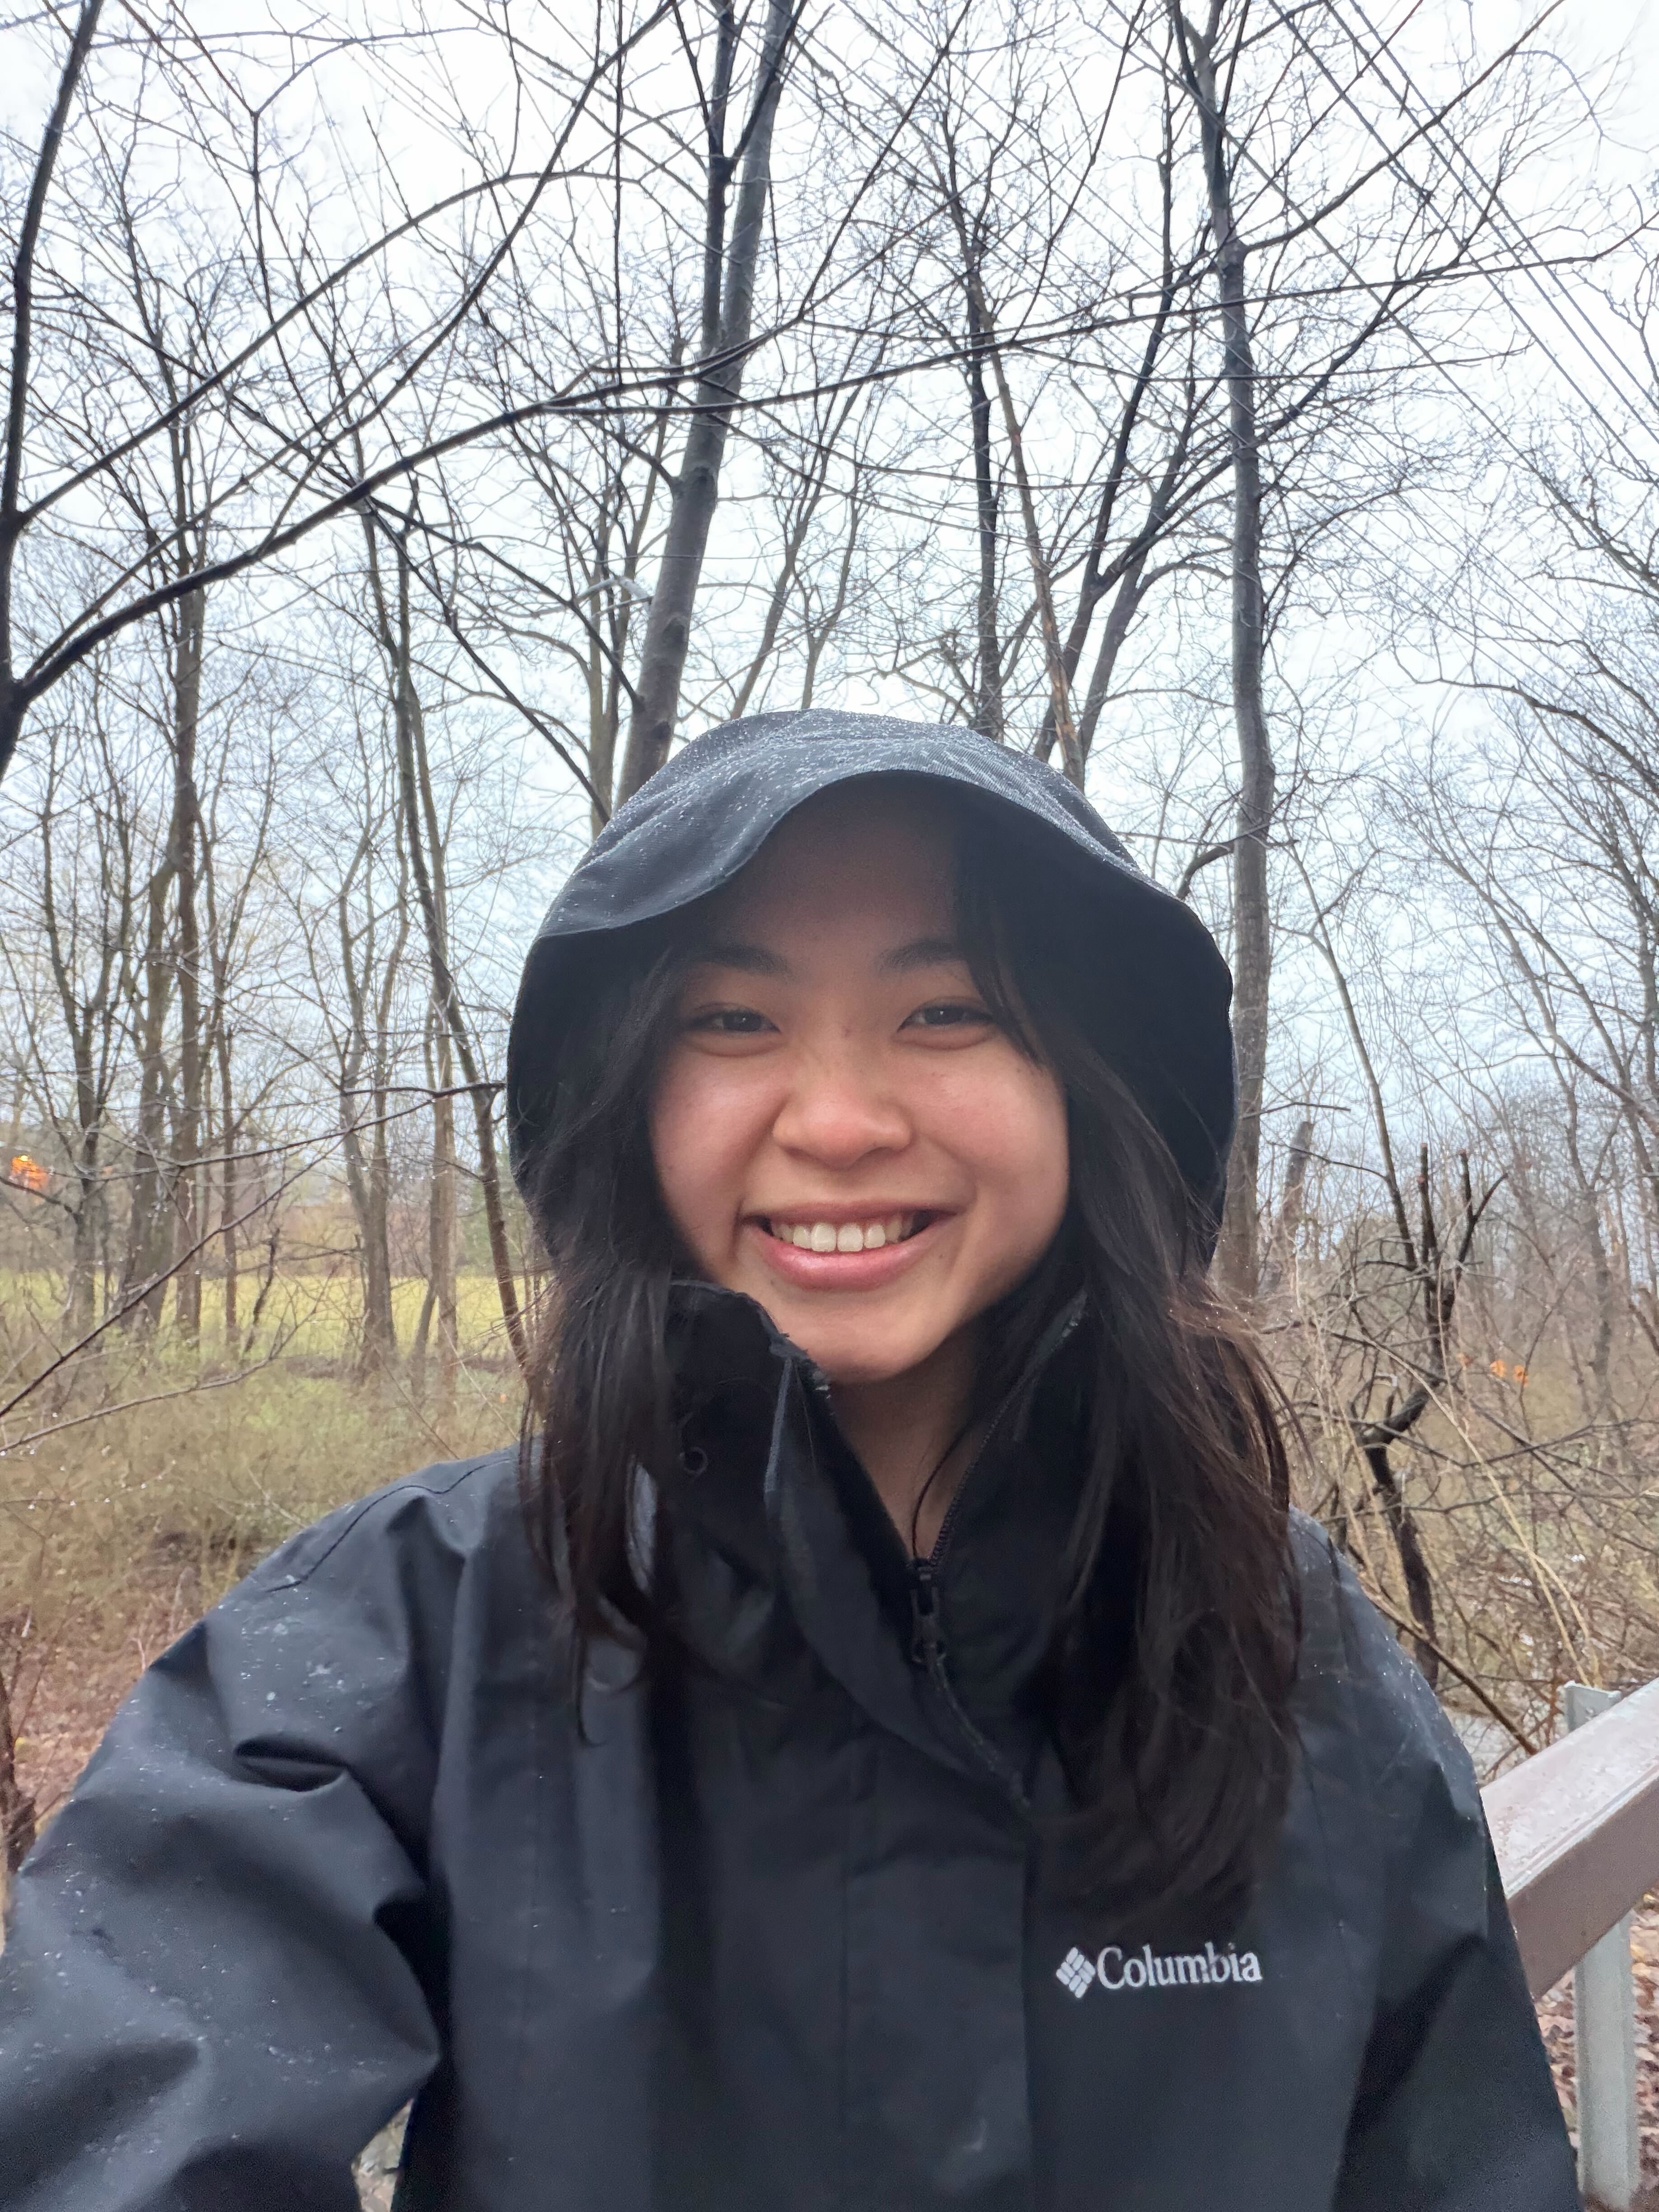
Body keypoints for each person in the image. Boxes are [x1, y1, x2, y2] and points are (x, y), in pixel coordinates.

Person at [0, 711, 1575, 2211]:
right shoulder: (398, 1632)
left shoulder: (1285, 1648)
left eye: (945, 1008)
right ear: (629, 1101)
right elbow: (134, 2109)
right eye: (735, 1020)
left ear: (1088, 1089)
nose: (835, 1118)